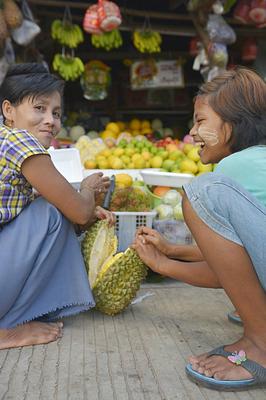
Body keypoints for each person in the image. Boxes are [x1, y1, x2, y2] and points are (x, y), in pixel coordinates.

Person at [133, 67, 266, 390]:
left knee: (201, 191)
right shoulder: (255, 161)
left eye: (201, 120)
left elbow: (225, 274)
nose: (192, 132)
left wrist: (163, 265)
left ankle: (261, 345)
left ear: (233, 124)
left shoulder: (234, 167)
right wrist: (174, 250)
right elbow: (242, 262)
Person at [0, 63, 115, 350]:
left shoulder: (6, 141)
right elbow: (76, 211)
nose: (51, 120)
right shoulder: (19, 142)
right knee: (50, 212)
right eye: (39, 108)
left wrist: (81, 207)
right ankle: (6, 329)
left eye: (56, 112)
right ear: (8, 111)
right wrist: (87, 190)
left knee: (48, 207)